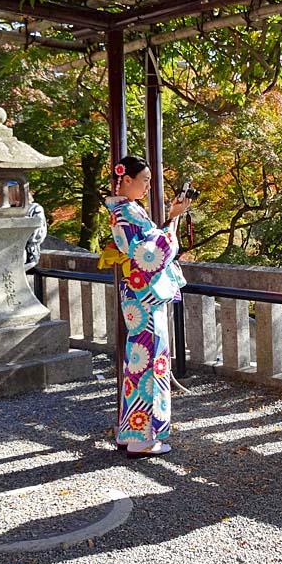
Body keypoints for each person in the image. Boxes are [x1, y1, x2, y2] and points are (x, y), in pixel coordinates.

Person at [106, 155, 191, 457]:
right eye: (144, 180)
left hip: (138, 294)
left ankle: (129, 431)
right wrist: (172, 222)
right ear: (126, 180)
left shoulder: (125, 210)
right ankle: (143, 439)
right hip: (145, 295)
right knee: (151, 362)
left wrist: (171, 218)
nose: (148, 186)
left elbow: (150, 244)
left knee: (138, 361)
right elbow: (150, 255)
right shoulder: (127, 212)